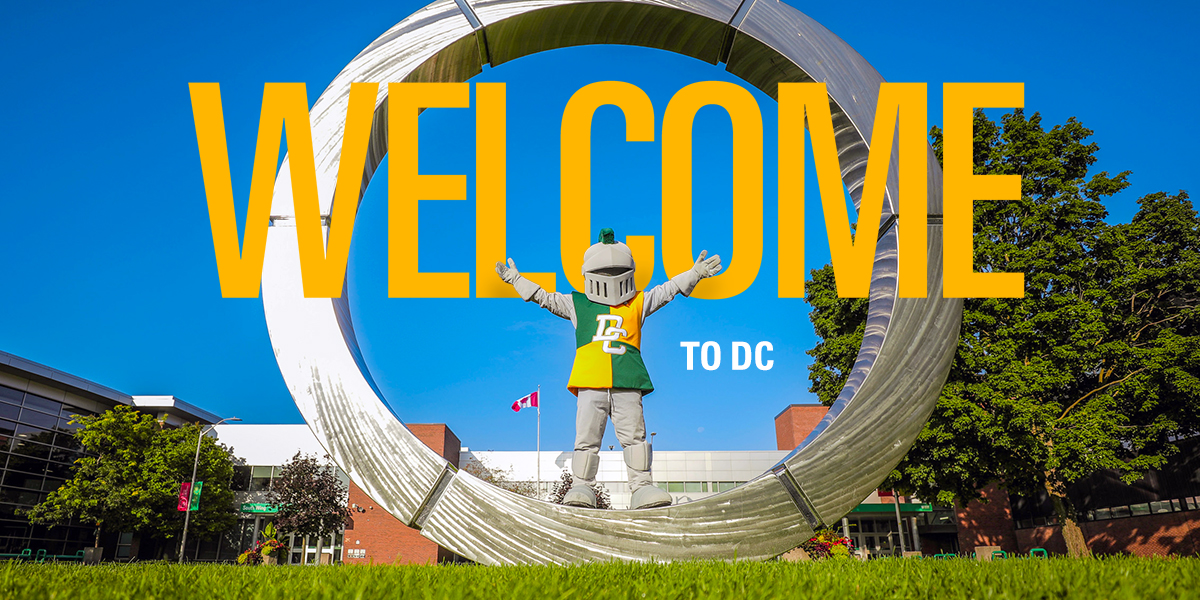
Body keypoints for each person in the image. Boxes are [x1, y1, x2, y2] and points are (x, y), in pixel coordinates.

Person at [495, 228, 721, 509]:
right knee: (587, 439)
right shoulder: (577, 303)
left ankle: (641, 487)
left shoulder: (638, 302)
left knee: (635, 438)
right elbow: (545, 298)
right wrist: (516, 279)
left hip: (627, 380)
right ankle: (581, 487)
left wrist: (694, 273)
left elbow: (667, 291)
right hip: (591, 381)